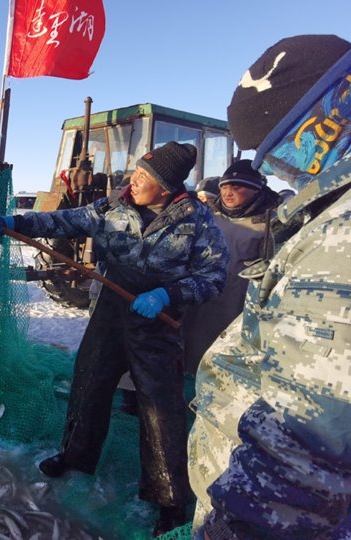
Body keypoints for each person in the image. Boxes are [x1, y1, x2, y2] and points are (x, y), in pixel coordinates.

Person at [0, 141, 229, 536]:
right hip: (112, 311)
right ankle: (75, 456)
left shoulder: (196, 220)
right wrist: (17, 222)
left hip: (157, 322)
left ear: (166, 188)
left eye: (145, 177)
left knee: (160, 408)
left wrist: (171, 294)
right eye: (136, 171)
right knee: (89, 383)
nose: (134, 180)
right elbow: (65, 221)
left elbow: (215, 276)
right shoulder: (114, 206)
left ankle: (167, 499)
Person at [188, 34, 351, 539]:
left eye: (275, 143)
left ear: (327, 116)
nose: (268, 163)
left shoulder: (338, 237)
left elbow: (305, 448)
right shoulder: (317, 217)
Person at [182, 160, 279, 376]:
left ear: (256, 189)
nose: (228, 193)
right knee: (190, 355)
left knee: (224, 365)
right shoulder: (208, 215)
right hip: (200, 301)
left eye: (237, 187)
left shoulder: (271, 223)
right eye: (224, 186)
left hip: (237, 306)